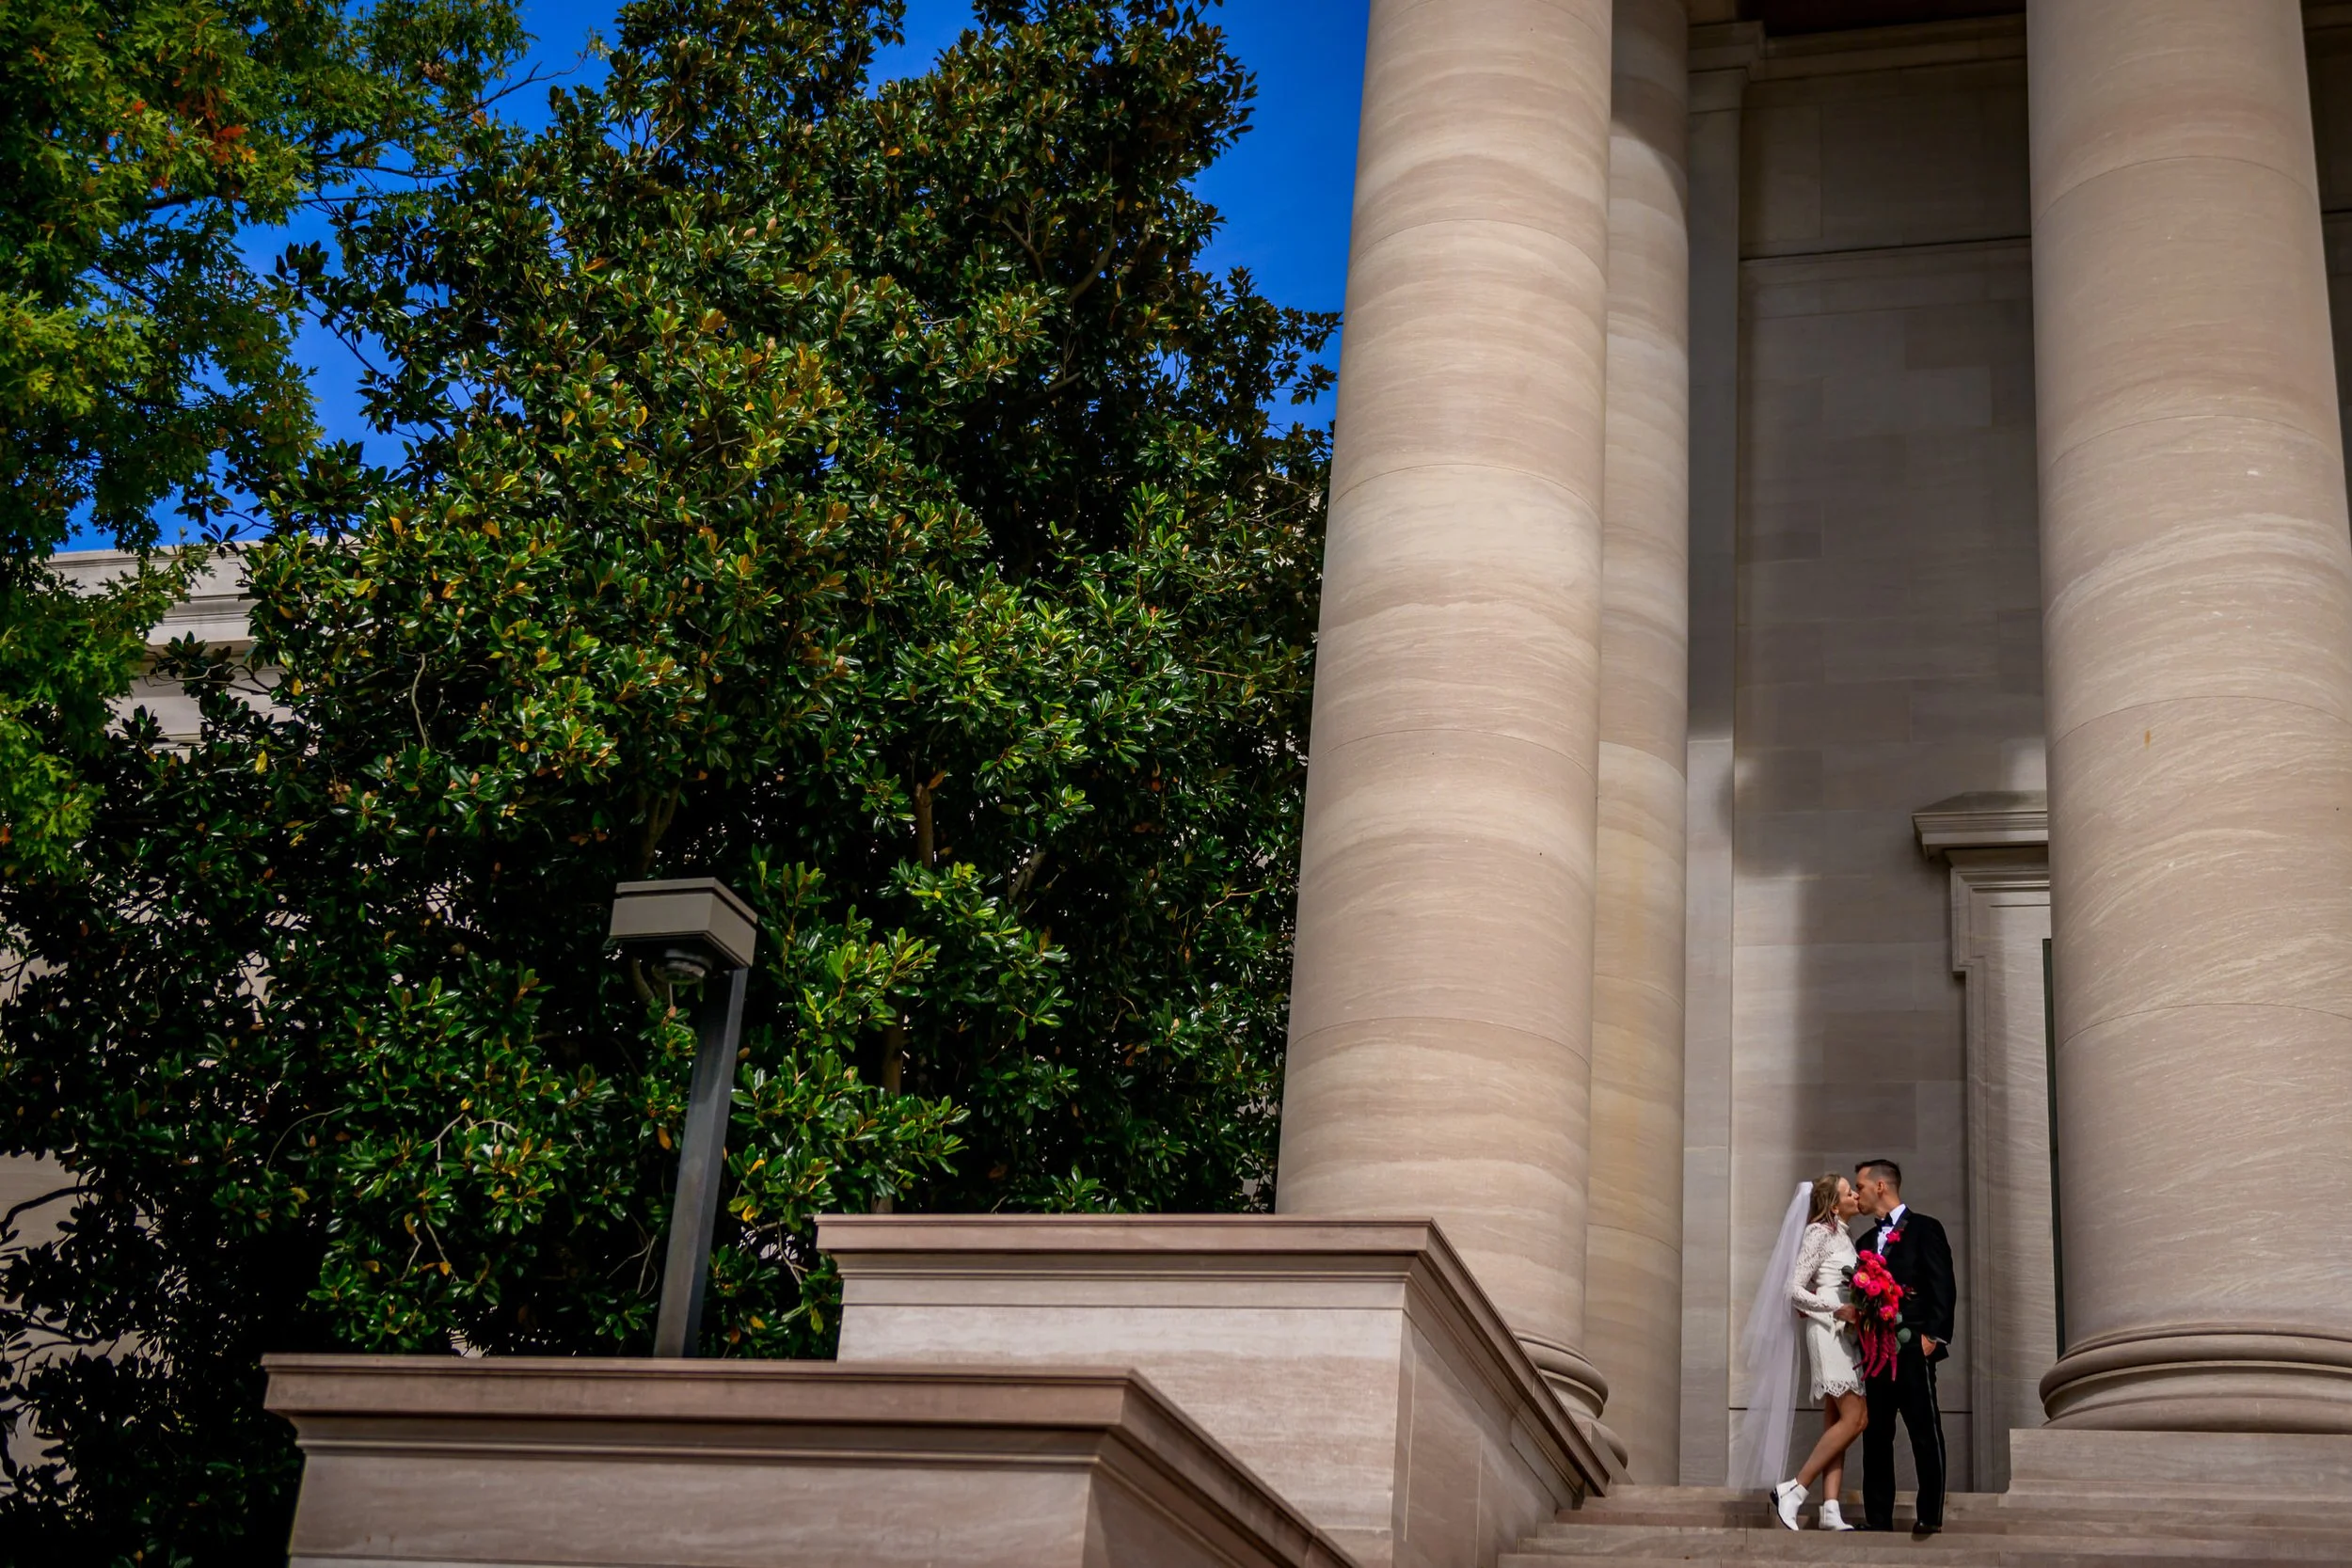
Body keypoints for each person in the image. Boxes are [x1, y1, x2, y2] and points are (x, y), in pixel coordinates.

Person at [1853, 1157, 1955, 1538]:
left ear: (1881, 1186)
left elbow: (1942, 1283)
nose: (1856, 1193)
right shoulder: (1863, 1243)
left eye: (1860, 1185)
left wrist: (1933, 1337)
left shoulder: (1925, 1228)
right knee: (1875, 1435)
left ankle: (1930, 1514)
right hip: (1876, 1353)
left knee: (1924, 1431)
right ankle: (1877, 1517)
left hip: (1914, 1347)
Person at [1767, 1173, 1867, 1531]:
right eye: (1848, 1191)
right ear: (1834, 1203)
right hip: (1828, 1331)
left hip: (1846, 1334)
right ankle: (1794, 1488)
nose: (1856, 1194)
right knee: (1857, 1418)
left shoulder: (1844, 1234)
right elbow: (1792, 1288)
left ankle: (1830, 1509)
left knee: (1837, 1422)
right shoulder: (1818, 1233)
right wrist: (1833, 1308)